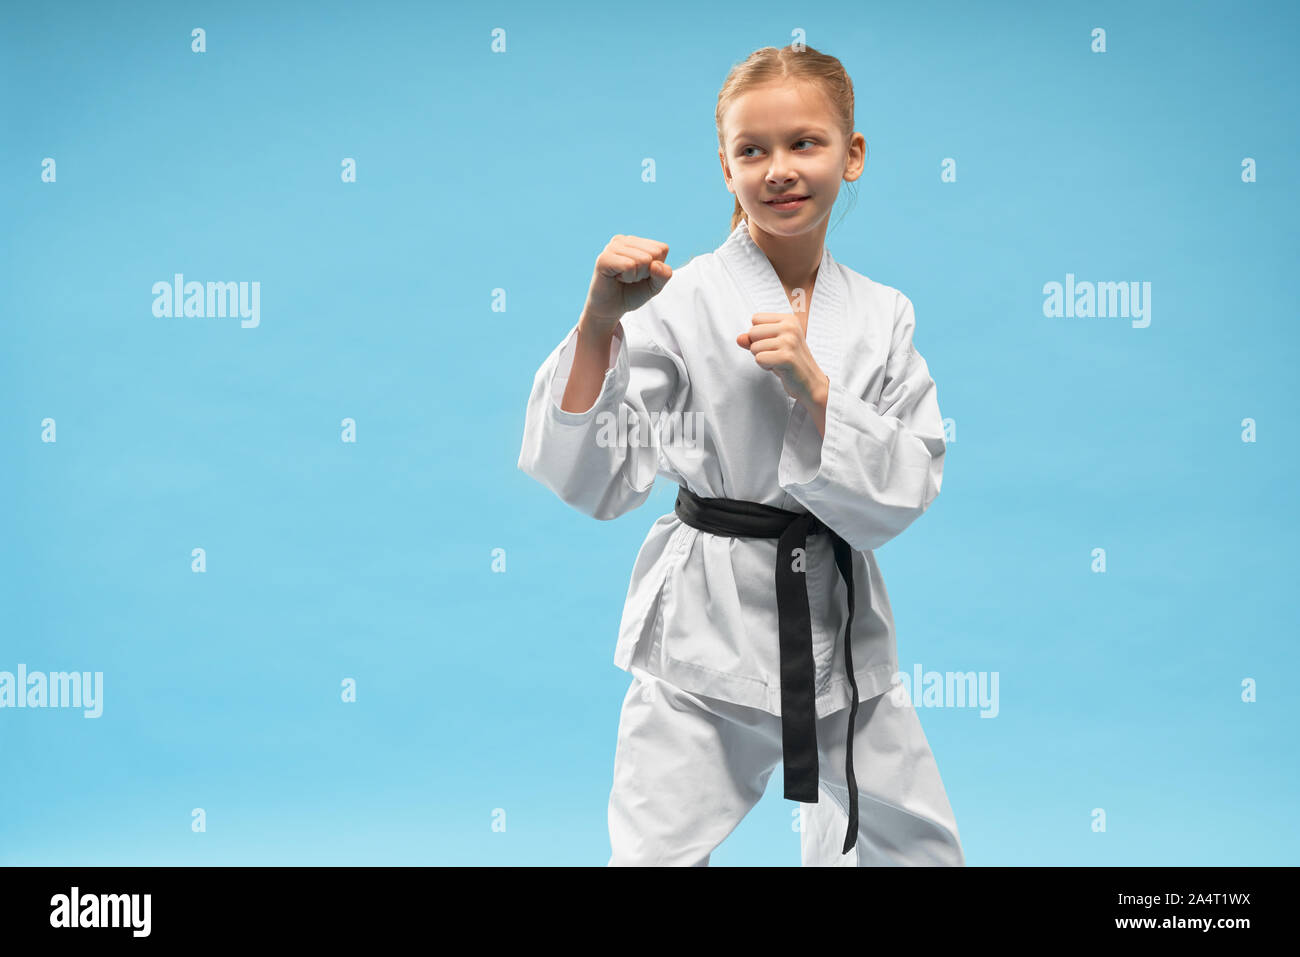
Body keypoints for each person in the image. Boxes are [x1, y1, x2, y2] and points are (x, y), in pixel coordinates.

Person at [517, 44, 964, 867]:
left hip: (838, 624)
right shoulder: (681, 298)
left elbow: (908, 481)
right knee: (656, 851)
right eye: (752, 151)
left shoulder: (883, 313)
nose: (779, 170)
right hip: (703, 630)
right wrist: (598, 323)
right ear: (725, 168)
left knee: (915, 847)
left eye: (805, 143)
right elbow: (594, 474)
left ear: (852, 154)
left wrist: (818, 387)